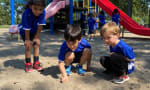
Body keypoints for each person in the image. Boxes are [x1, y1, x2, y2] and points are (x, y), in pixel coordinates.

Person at [18, 0, 46, 72]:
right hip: (25, 31)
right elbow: (26, 28)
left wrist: (36, 38)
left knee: (36, 44)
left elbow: (40, 26)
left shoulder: (43, 12)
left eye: (40, 9)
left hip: (34, 31)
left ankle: (36, 63)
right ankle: (28, 64)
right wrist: (27, 40)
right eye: (35, 8)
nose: (38, 11)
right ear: (31, 6)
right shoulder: (26, 13)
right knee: (29, 46)